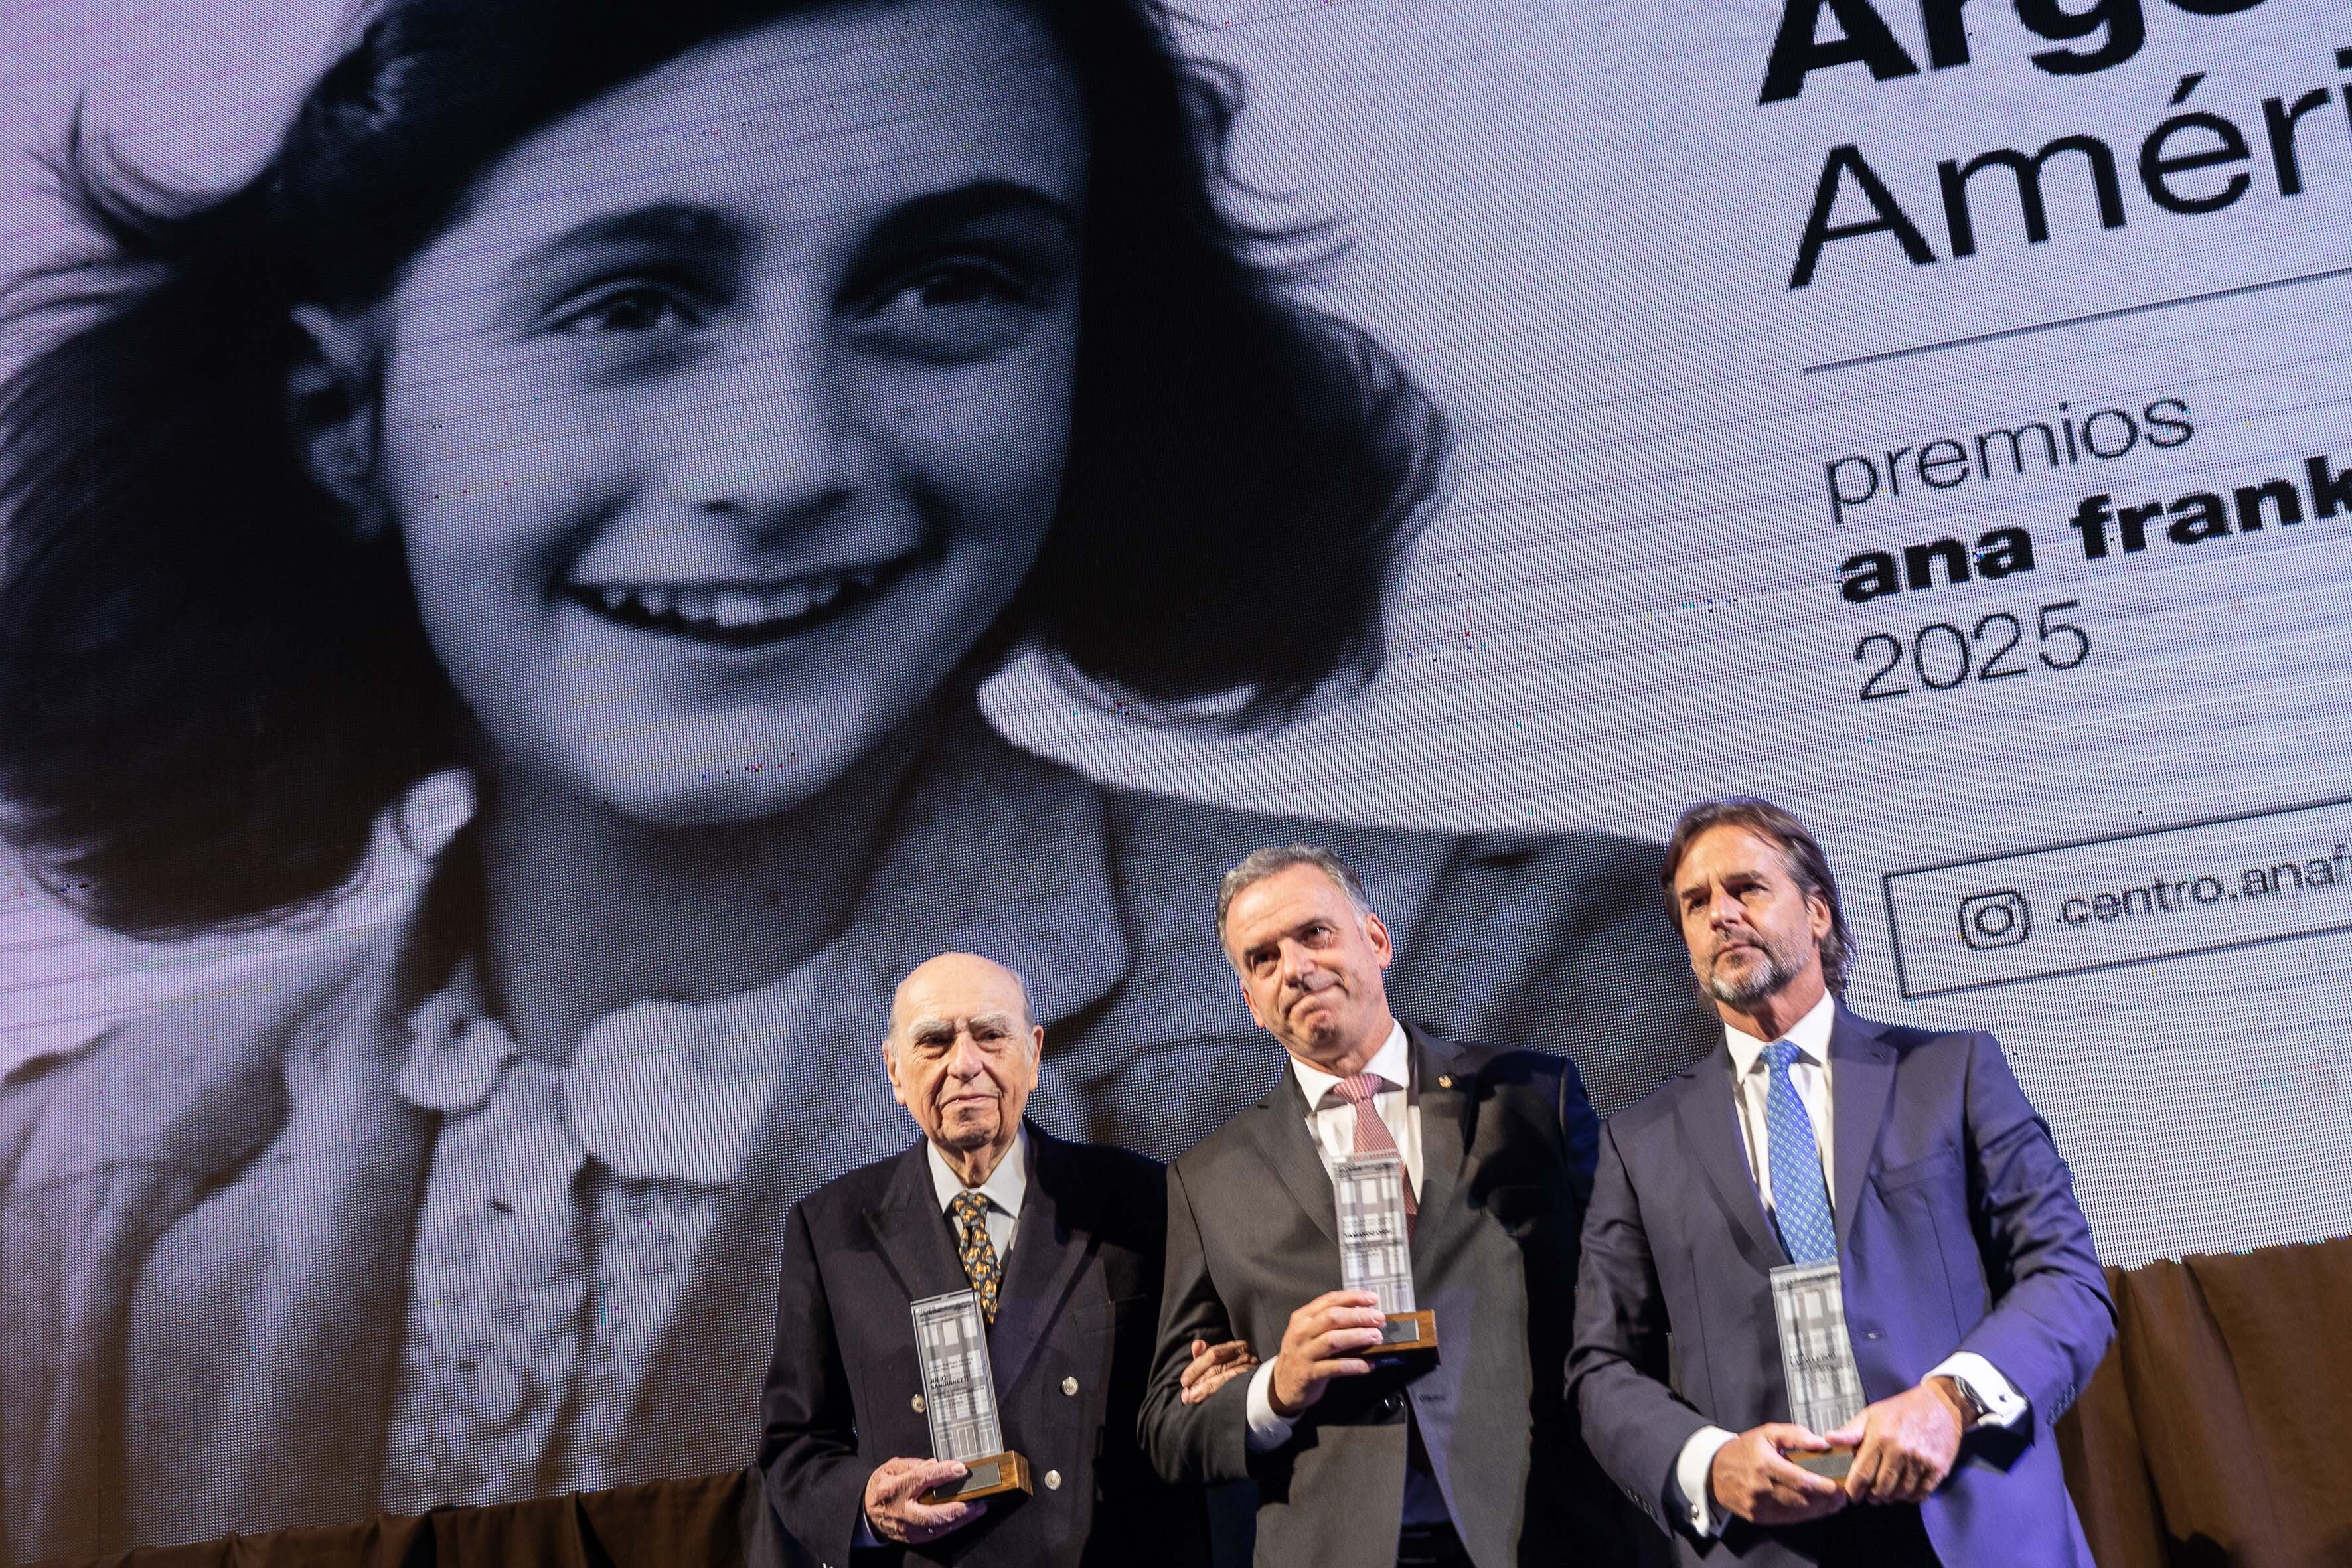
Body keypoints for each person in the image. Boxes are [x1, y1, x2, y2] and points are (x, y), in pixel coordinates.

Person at [0, 0, 1713, 1556]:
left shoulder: (1515, 996)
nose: (785, 462)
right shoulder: (62, 1182)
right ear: (341, 411)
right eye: (633, 303)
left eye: (948, 284)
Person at [1568, 799, 2117, 1567]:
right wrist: (1710, 1463)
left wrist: (1948, 1401)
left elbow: (2067, 1279)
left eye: (1746, 888)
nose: (1722, 914)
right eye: (1697, 904)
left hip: (1974, 1522)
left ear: (1818, 912)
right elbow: (1600, 1367)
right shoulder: (1640, 1141)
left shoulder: (1949, 1074)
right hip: (1773, 1544)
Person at [1140, 846, 1655, 1568]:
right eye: (1263, 958)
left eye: (1315, 933)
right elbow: (1169, 1424)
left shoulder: (1530, 1096)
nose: (1295, 966)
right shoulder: (1208, 1178)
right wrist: (1275, 1388)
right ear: (1251, 1005)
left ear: (1376, 941)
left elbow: (1633, 1298)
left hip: (1548, 1526)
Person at [759, 952, 1239, 1567]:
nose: (965, 1064)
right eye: (934, 1042)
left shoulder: (1139, 1200)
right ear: (895, 1072)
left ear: (1034, 1054)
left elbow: (1200, 1375)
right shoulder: (828, 1229)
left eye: (990, 1035)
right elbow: (794, 1444)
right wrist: (865, 1505)